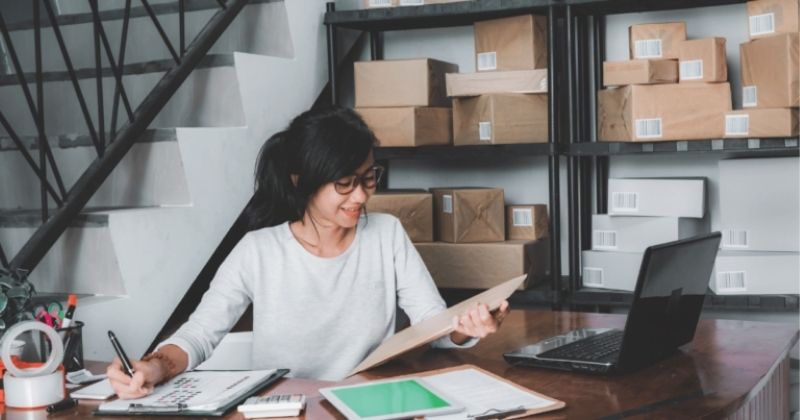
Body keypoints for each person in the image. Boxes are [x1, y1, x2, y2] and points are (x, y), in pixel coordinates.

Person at [107, 106, 510, 399]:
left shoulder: (386, 234)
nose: (362, 194)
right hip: (285, 408)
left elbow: (431, 324)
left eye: (369, 178)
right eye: (345, 183)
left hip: (368, 402)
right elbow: (199, 334)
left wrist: (465, 328)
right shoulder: (258, 251)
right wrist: (154, 366)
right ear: (302, 181)